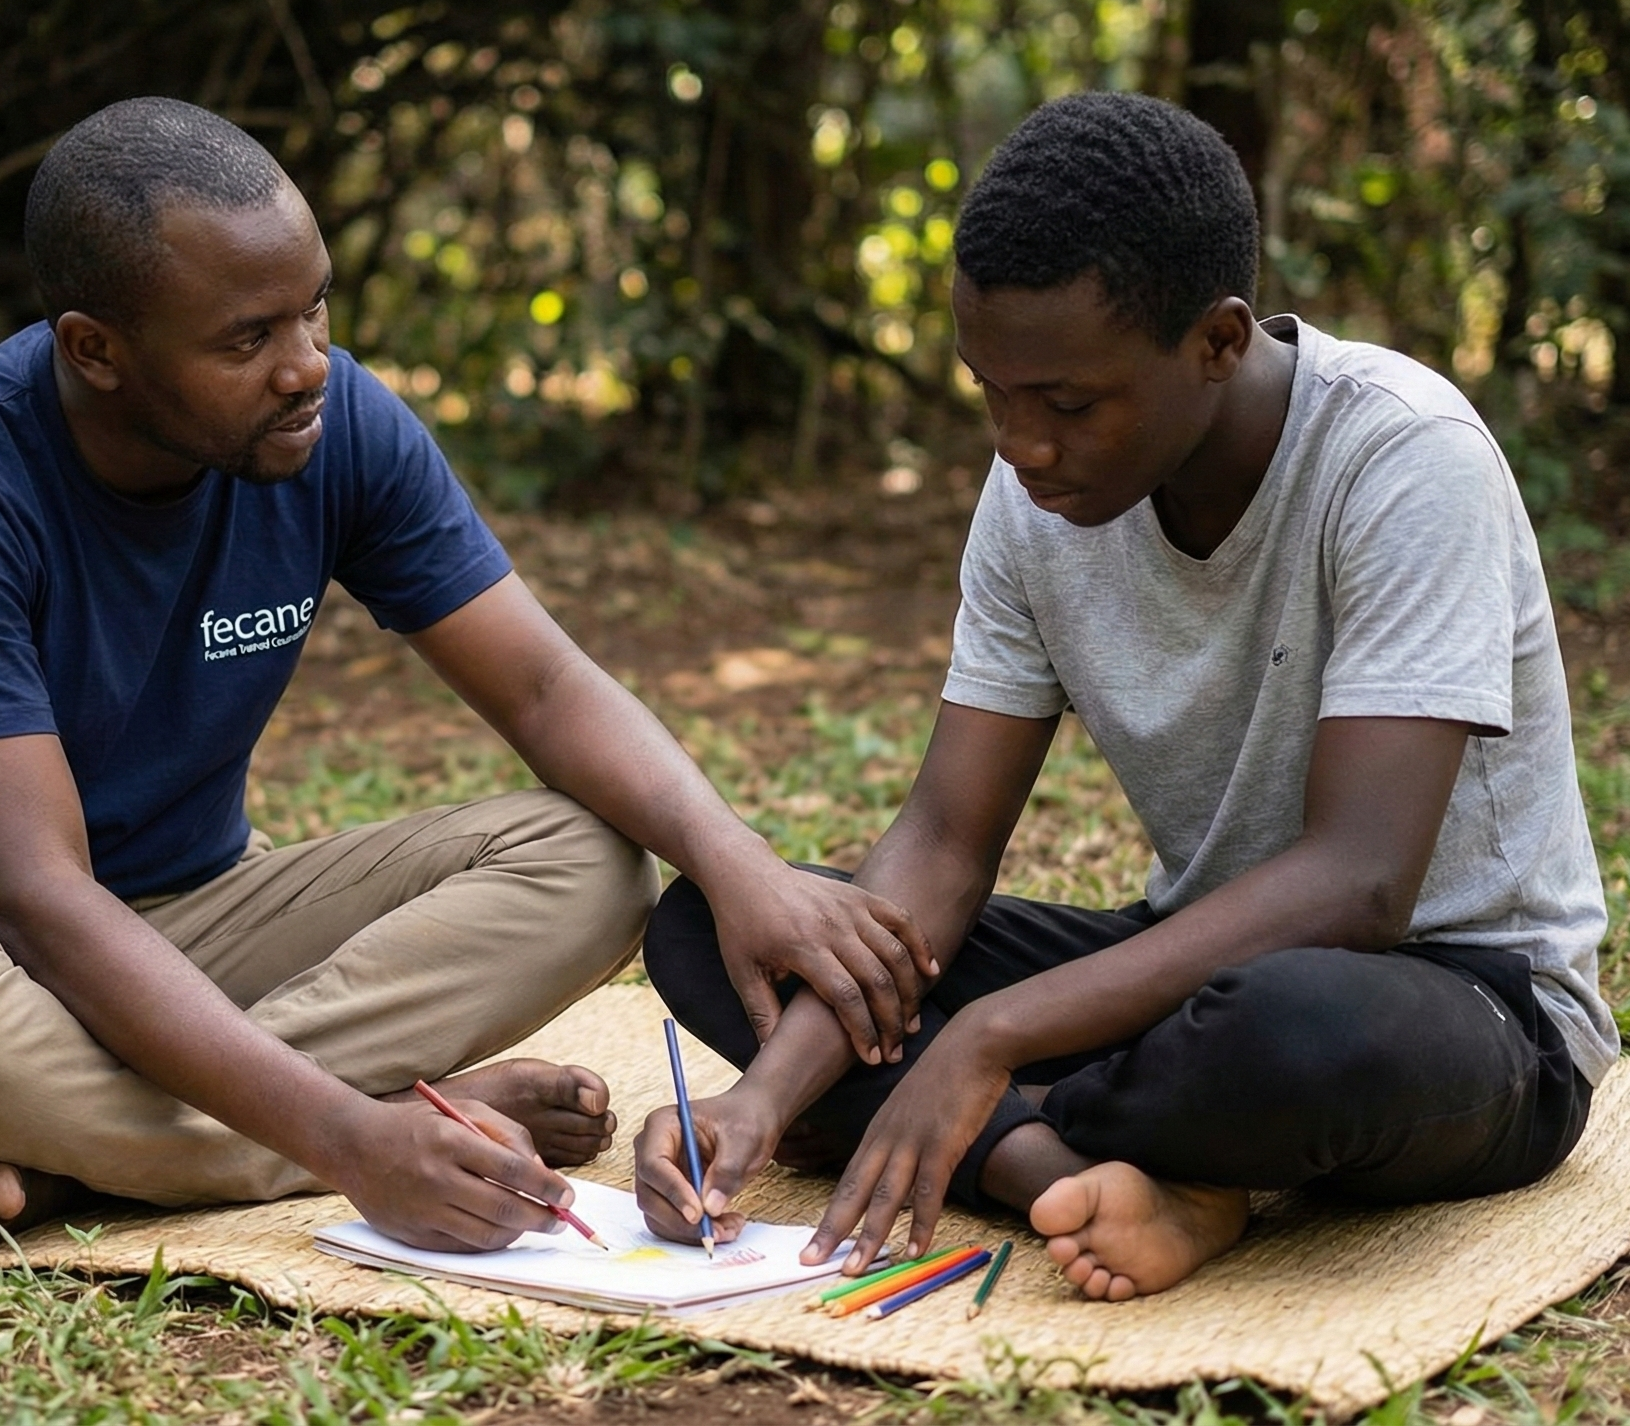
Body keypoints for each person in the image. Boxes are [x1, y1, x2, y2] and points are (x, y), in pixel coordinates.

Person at [0, 97, 938, 1257]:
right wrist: (347, 1141)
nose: (305, 366)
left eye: (314, 309)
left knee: (590, 856)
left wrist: (739, 864)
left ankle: (89, 1160)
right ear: (94, 351)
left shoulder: (335, 422)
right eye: (246, 339)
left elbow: (541, 687)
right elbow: (35, 899)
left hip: (198, 920)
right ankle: (342, 1121)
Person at [634, 91, 1616, 1301]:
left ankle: (1007, 1124)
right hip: (1193, 972)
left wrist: (992, 1038)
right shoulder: (1033, 499)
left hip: (1463, 1005)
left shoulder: (1404, 462)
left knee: (1290, 1032)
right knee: (735, 927)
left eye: (1065, 404)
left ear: (1217, 341)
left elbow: (1361, 881)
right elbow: (944, 845)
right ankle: (1088, 1165)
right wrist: (762, 1098)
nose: (1020, 444)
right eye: (990, 393)